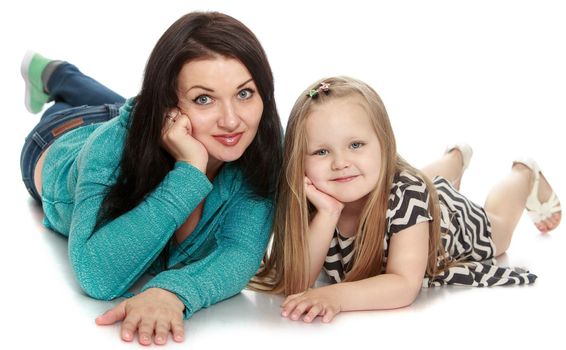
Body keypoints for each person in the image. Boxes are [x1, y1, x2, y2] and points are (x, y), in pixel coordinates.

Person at [19, 12, 283, 345]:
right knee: (112, 113)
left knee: (124, 107)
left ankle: (61, 74)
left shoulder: (262, 141)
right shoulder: (109, 148)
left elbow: (241, 252)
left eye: (244, 93)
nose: (232, 121)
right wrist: (190, 170)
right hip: (62, 136)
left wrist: (173, 292)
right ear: (169, 106)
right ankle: (57, 74)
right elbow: (96, 275)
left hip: (143, 118)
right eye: (205, 99)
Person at [252, 76, 561, 323]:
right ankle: (454, 158)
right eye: (321, 151)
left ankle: (524, 174)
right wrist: (329, 213)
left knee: (500, 231)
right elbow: (298, 280)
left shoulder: (408, 192)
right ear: (299, 161)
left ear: (385, 145)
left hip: (450, 221)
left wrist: (335, 297)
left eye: (356, 144)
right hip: (413, 193)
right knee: (424, 182)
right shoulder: (316, 196)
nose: (339, 162)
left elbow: (403, 284)